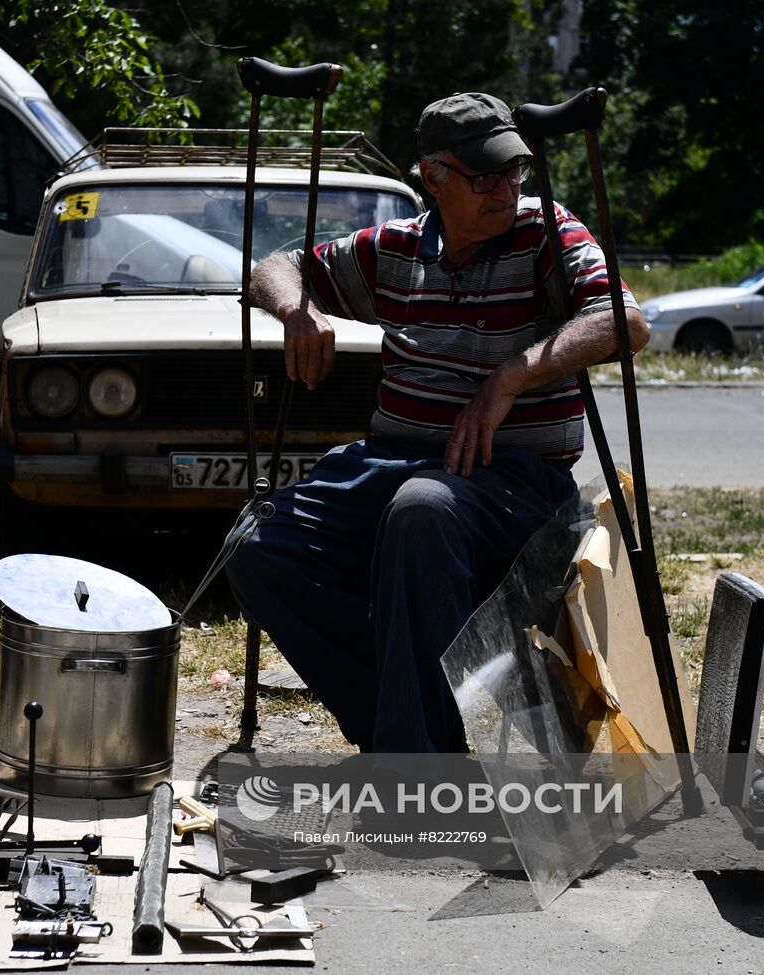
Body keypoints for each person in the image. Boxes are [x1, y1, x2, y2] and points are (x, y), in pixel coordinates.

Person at [226, 91, 649, 754]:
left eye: (514, 171)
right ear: (434, 177)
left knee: (421, 509)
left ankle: (414, 762)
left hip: (515, 482)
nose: (505, 190)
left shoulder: (547, 233)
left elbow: (627, 322)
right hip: (394, 464)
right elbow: (271, 269)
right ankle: (413, 724)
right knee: (258, 547)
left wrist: (514, 373)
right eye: (484, 177)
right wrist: (299, 309)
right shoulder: (394, 247)